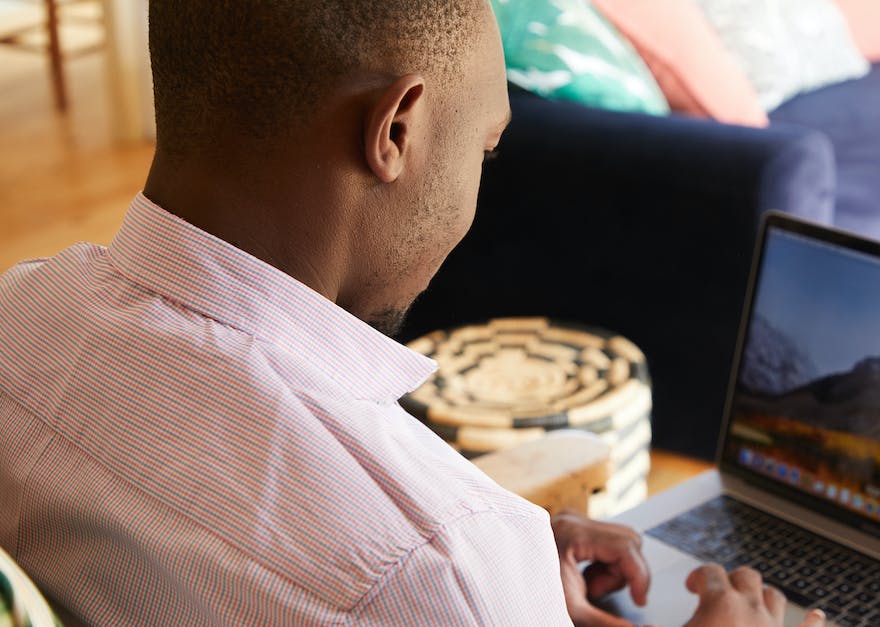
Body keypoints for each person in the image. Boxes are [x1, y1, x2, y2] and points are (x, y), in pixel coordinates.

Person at [0, 1, 828, 625]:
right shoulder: (432, 568)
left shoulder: (14, 316)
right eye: (485, 148)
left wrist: (516, 581)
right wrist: (489, 581)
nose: (479, 183)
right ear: (394, 129)